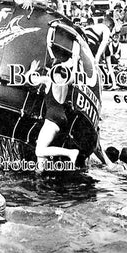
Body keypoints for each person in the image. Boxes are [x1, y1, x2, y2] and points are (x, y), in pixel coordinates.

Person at [25, 41, 82, 172]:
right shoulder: (67, 81)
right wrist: (74, 61)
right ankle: (40, 173)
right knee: (41, 146)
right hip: (62, 118)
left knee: (39, 150)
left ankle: (70, 153)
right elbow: (73, 71)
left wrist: (32, 70)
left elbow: (29, 80)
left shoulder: (49, 80)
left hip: (52, 117)